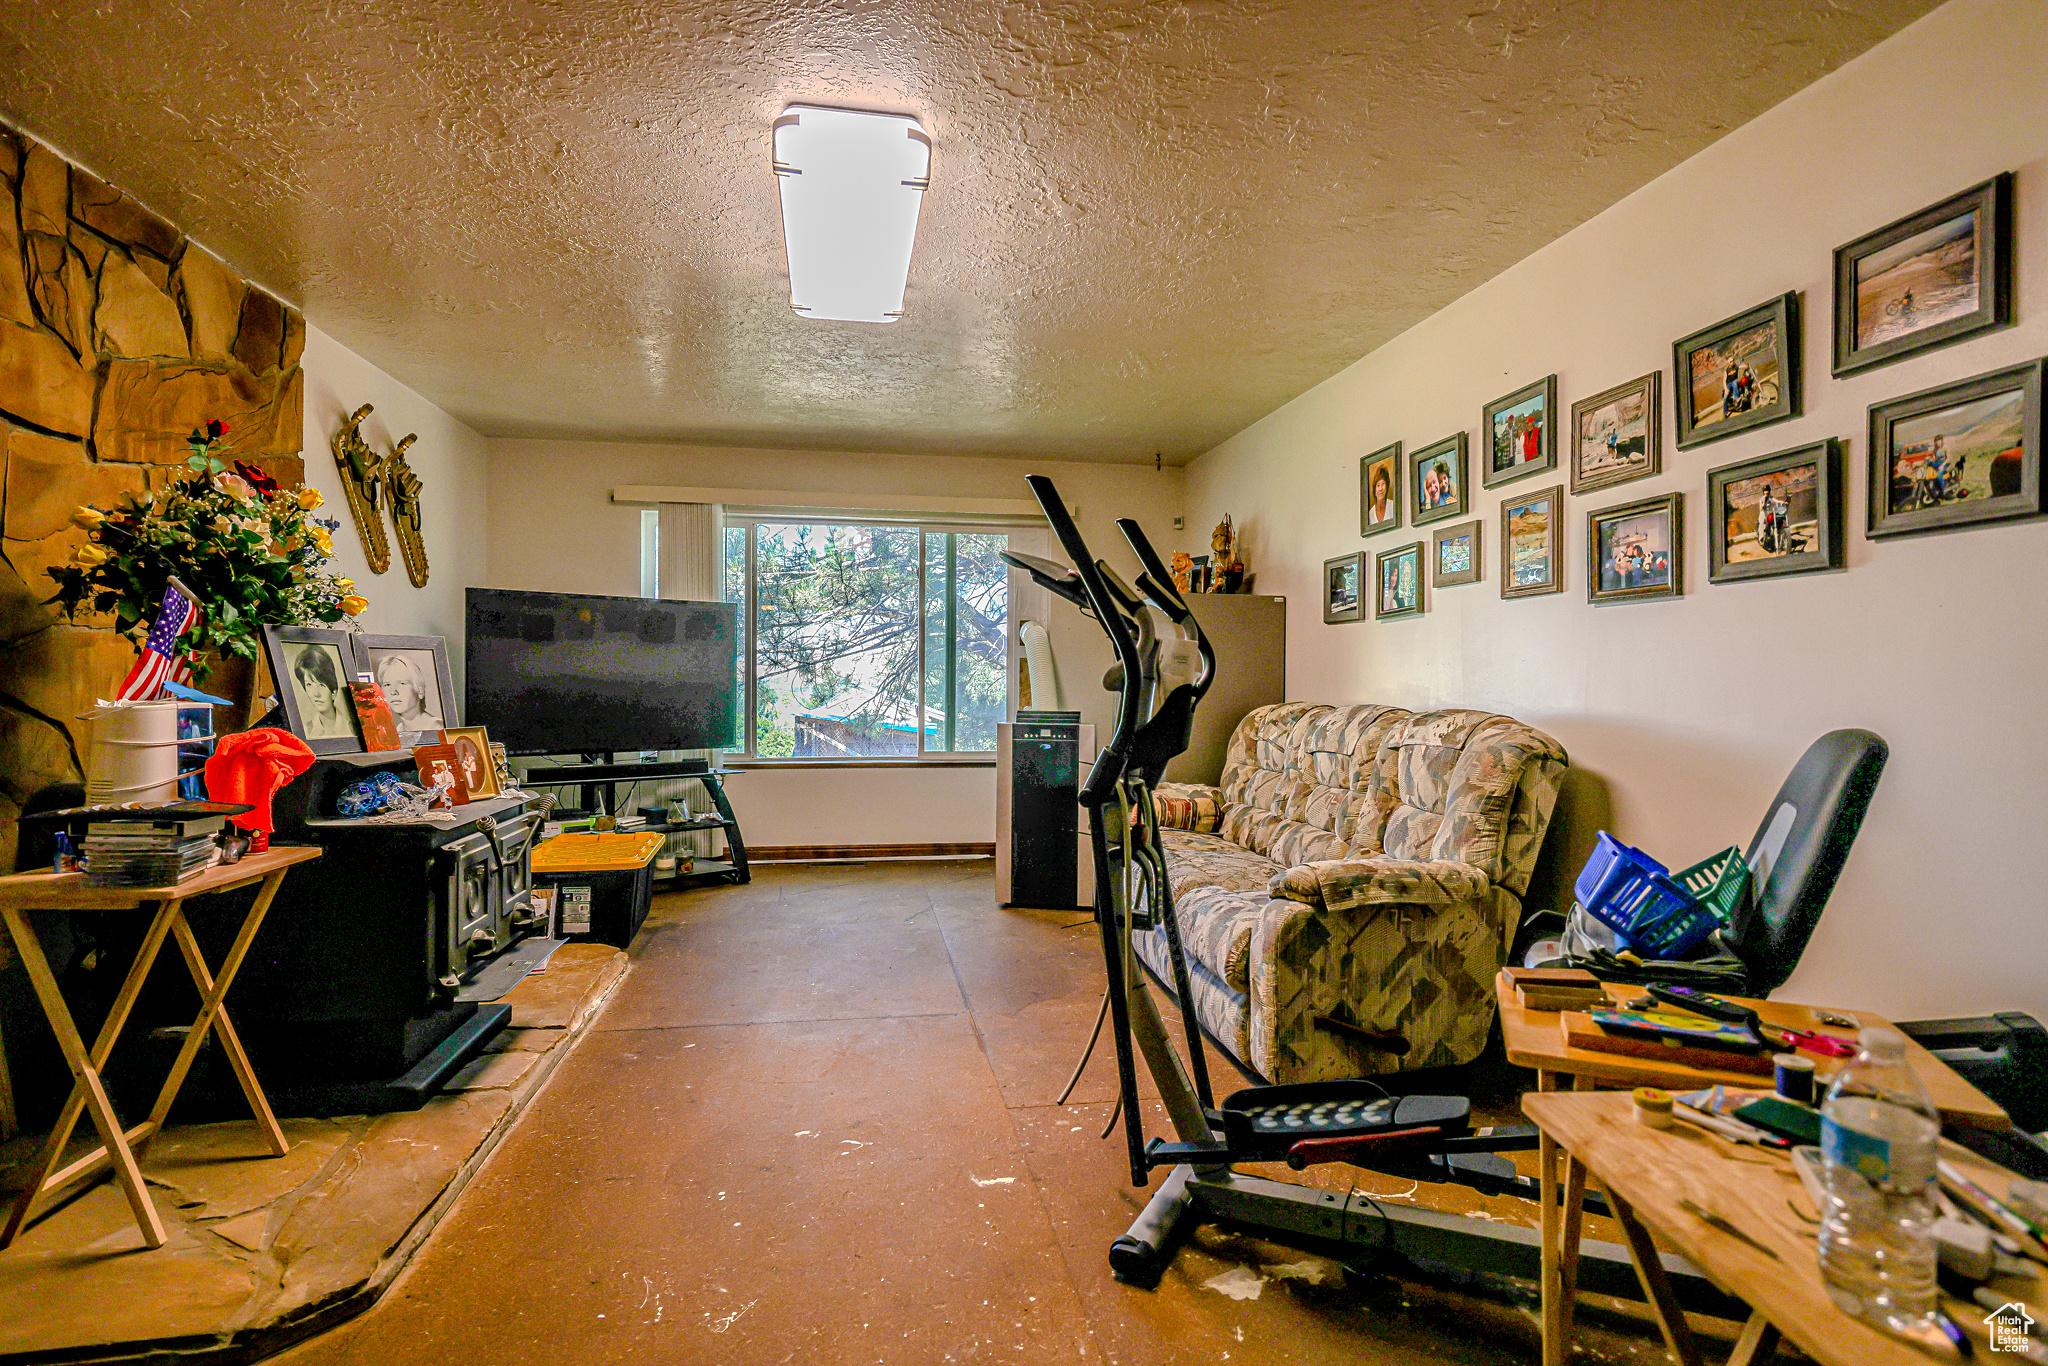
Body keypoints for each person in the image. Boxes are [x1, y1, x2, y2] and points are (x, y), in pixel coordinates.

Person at [291, 646, 354, 740]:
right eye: (309, 685)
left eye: (321, 685)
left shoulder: (352, 730)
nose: (316, 694)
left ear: (334, 692)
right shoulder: (305, 732)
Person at [377, 654, 445, 736]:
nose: (393, 691)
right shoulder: (399, 730)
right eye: (387, 685)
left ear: (420, 691)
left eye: (402, 683)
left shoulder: (437, 728)